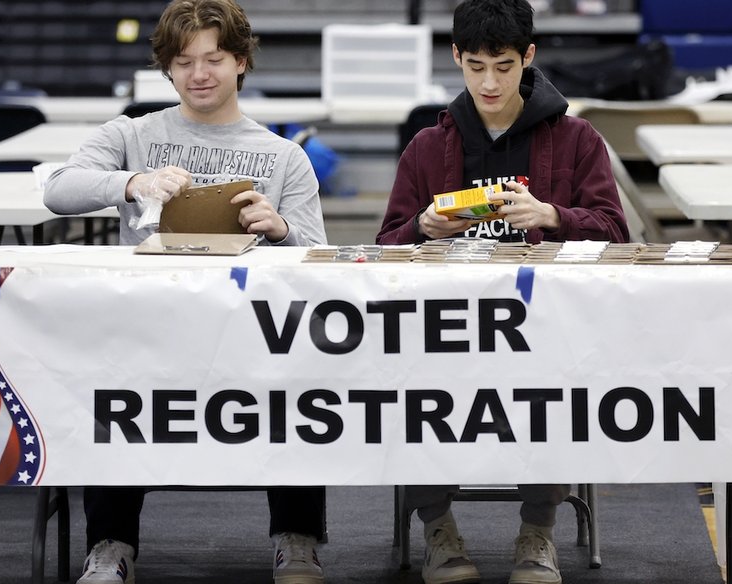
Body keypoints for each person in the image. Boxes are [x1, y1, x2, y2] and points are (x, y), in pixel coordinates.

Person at [43, 1, 328, 583]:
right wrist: (132, 181)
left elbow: (317, 261)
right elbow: (58, 190)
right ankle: (111, 544)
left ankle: (297, 537)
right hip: (150, 329)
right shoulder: (132, 135)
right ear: (167, 70)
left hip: (252, 334)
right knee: (112, 377)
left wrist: (280, 231)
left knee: (303, 375)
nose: (199, 74)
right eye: (184, 62)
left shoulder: (283, 157)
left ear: (241, 62)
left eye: (214, 59)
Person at [376, 0, 628, 583]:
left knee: (556, 383)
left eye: (505, 66)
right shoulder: (426, 148)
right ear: (457, 58)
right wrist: (422, 229)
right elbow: (385, 245)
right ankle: (437, 526)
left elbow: (614, 231)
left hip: (544, 325)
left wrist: (554, 215)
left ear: (529, 58)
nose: (489, 82)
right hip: (443, 327)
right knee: (408, 380)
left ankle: (539, 529)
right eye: (477, 67)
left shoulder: (576, 139)